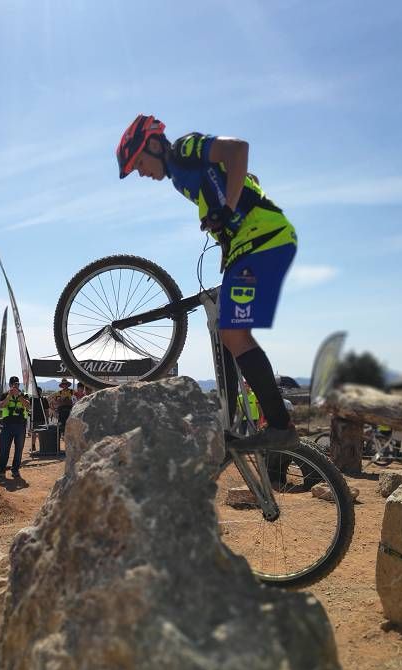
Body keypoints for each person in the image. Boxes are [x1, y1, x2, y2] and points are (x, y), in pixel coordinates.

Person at [117, 114, 298, 450]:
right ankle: (270, 423)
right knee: (231, 334)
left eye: (139, 162)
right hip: (251, 244)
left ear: (155, 144)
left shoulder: (184, 149)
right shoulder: (180, 179)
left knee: (234, 333)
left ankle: (279, 425)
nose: (140, 172)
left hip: (264, 239)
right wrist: (225, 232)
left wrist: (227, 208)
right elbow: (244, 177)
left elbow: (238, 150)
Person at [0, 375, 30, 479]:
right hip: (7, 426)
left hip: (20, 426)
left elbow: (28, 405)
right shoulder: (5, 395)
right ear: (10, 385)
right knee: (4, 449)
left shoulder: (24, 394)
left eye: (17, 384)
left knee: (19, 449)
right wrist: (9, 396)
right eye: (13, 384)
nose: (15, 386)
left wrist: (19, 396)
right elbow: (1, 405)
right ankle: (1, 469)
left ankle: (15, 469)